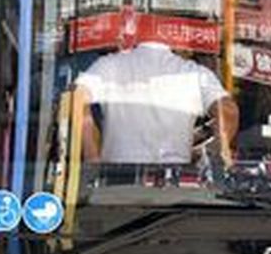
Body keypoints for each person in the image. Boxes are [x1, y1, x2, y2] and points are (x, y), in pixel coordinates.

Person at [75, 39, 238, 166]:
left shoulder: (108, 65)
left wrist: (91, 156)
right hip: (172, 186)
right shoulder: (194, 73)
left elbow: (76, 99)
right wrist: (213, 153)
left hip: (115, 181)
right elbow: (228, 111)